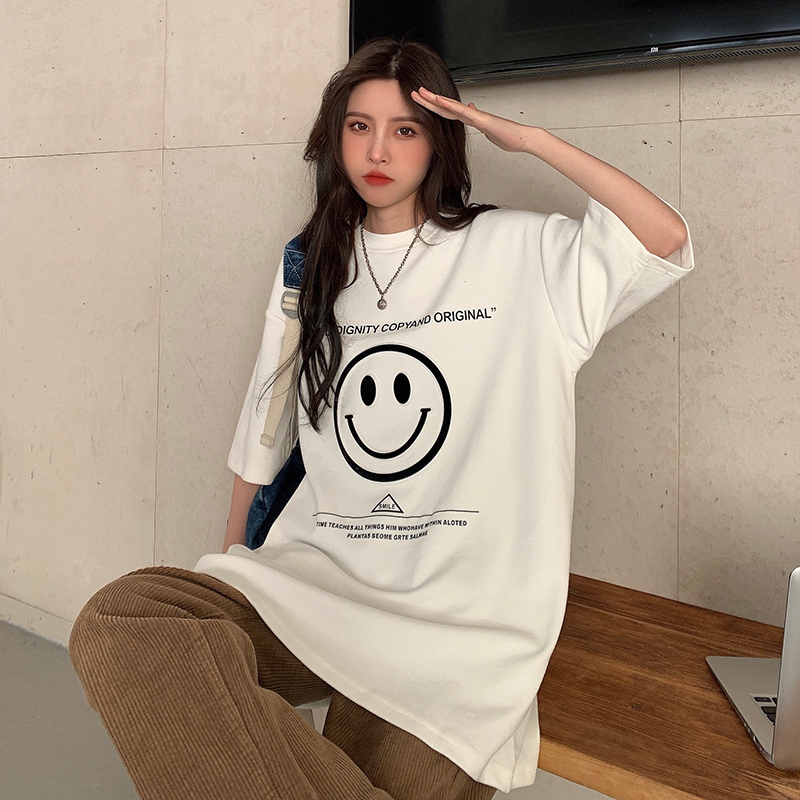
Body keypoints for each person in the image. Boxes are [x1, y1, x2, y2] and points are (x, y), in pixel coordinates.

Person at [69, 36, 693, 800]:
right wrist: (234, 561)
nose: (378, 150)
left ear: (440, 142)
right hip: (322, 583)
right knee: (123, 623)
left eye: (405, 129)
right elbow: (267, 424)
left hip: (459, 622)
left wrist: (528, 141)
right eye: (359, 126)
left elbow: (662, 238)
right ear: (335, 137)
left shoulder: (520, 251)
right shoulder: (312, 262)